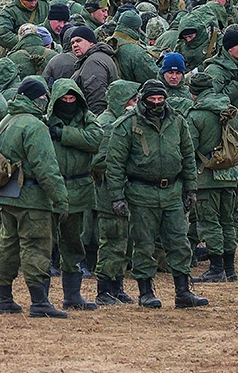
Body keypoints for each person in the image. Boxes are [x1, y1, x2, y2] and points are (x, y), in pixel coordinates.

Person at [104, 80, 208, 309]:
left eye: (161, 99)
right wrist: (117, 197)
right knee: (143, 244)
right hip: (140, 192)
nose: (157, 103)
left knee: (179, 242)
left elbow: (188, 158)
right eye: (153, 99)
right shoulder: (127, 125)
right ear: (143, 99)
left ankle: (183, 291)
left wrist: (191, 189)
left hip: (172, 191)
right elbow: (114, 165)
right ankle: (145, 292)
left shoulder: (177, 122)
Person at [0, 78, 69, 317]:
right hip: (31, 197)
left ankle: (5, 299)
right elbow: (46, 168)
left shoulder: (7, 120)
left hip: (7, 194)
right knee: (35, 245)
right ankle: (39, 301)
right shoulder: (34, 126)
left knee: (8, 246)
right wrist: (60, 199)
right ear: (38, 98)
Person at [185, 72, 238, 285]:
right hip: (231, 175)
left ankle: (216, 269)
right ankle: (230, 269)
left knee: (209, 222)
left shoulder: (195, 115)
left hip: (205, 178)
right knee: (229, 221)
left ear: (193, 92)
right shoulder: (232, 111)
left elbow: (189, 148)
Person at [45, 79, 103, 311]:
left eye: (72, 99)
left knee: (73, 243)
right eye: (64, 99)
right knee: (44, 243)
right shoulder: (45, 121)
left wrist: (63, 134)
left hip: (79, 188)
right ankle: (42, 297)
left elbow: (95, 140)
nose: (68, 103)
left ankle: (73, 295)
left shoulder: (88, 119)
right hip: (51, 188)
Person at [91, 79, 140, 306]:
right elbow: (100, 160)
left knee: (123, 241)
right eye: (133, 99)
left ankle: (117, 287)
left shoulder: (120, 122)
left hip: (120, 190)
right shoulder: (109, 125)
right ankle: (104, 290)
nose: (137, 103)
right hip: (109, 192)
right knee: (112, 240)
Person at [70, 26, 119, 115]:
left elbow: (97, 98)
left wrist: (95, 123)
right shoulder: (98, 57)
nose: (74, 45)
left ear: (91, 43)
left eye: (79, 41)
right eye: (72, 42)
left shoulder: (93, 62)